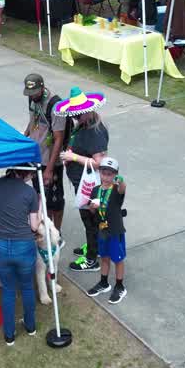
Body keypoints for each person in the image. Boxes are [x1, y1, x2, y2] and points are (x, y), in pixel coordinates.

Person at [0, 168, 40, 346]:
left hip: (1, 246)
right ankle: (30, 327)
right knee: (27, 287)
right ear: (27, 173)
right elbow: (35, 226)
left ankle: (9, 335)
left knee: (8, 290)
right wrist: (40, 206)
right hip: (24, 246)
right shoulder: (30, 192)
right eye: (32, 175)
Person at [57, 88, 109, 272]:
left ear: (88, 110)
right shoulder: (85, 124)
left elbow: (99, 162)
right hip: (83, 183)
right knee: (91, 219)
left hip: (89, 185)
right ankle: (94, 247)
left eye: (79, 114)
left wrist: (73, 158)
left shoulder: (93, 132)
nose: (75, 117)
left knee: (90, 220)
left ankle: (92, 259)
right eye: (74, 114)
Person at [23, 73, 69, 231]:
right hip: (36, 158)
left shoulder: (56, 106)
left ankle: (56, 232)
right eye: (29, 93)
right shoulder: (33, 99)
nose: (31, 96)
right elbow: (32, 121)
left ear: (42, 87)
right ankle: (47, 230)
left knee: (55, 201)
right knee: (41, 197)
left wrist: (49, 169)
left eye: (34, 92)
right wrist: (24, 140)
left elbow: (59, 138)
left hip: (51, 162)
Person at [84, 157, 129, 304]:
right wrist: (92, 207)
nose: (107, 176)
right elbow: (91, 212)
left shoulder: (116, 189)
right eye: (104, 172)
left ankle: (120, 286)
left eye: (110, 174)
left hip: (115, 230)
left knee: (118, 259)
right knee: (104, 257)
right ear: (99, 172)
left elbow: (123, 188)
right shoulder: (95, 190)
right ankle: (104, 282)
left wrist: (120, 180)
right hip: (102, 229)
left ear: (115, 174)